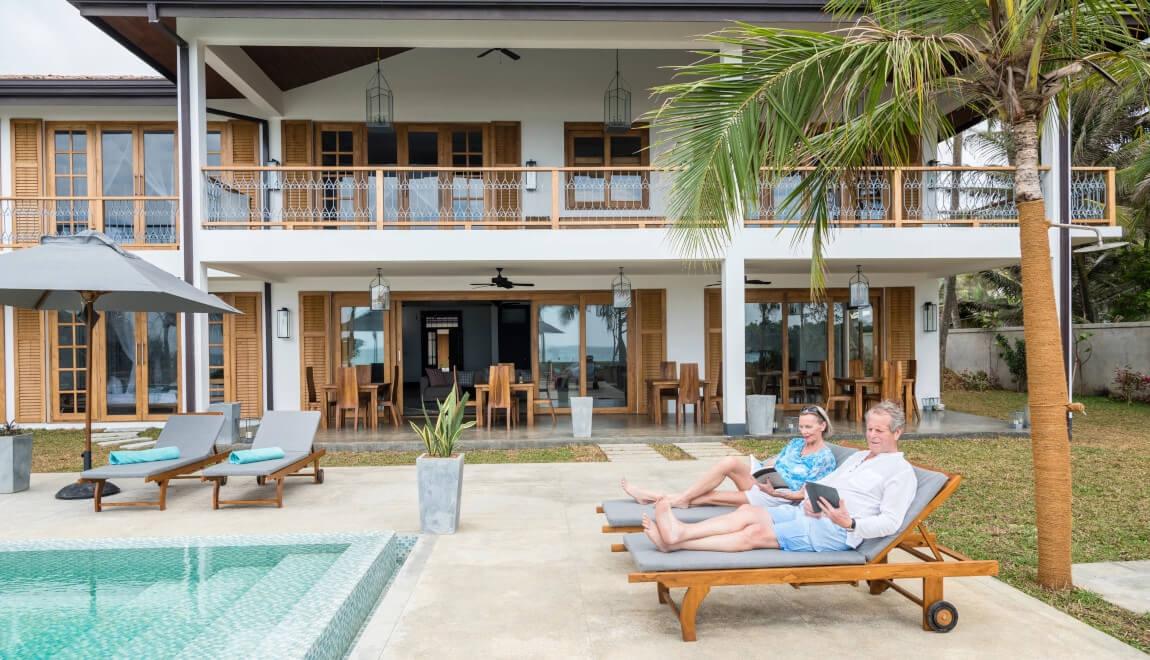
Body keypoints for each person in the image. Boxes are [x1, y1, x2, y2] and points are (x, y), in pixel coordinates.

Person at [643, 400, 917, 554]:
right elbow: (828, 484)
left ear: (897, 432)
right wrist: (809, 498)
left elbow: (890, 522)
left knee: (755, 533)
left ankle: (677, 541)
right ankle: (678, 534)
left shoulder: (899, 472)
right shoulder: (859, 457)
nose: (872, 436)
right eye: (870, 429)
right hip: (811, 513)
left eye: (879, 431)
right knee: (748, 512)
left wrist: (851, 522)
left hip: (836, 532)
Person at [621, 405, 837, 509]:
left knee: (709, 496)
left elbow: (805, 495)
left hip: (778, 498)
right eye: (801, 427)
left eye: (809, 427)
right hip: (764, 483)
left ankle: (652, 496)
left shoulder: (824, 458)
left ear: (822, 426)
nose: (804, 431)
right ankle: (676, 498)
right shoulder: (796, 443)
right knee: (729, 461)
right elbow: (776, 462)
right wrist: (762, 467)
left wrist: (777, 493)